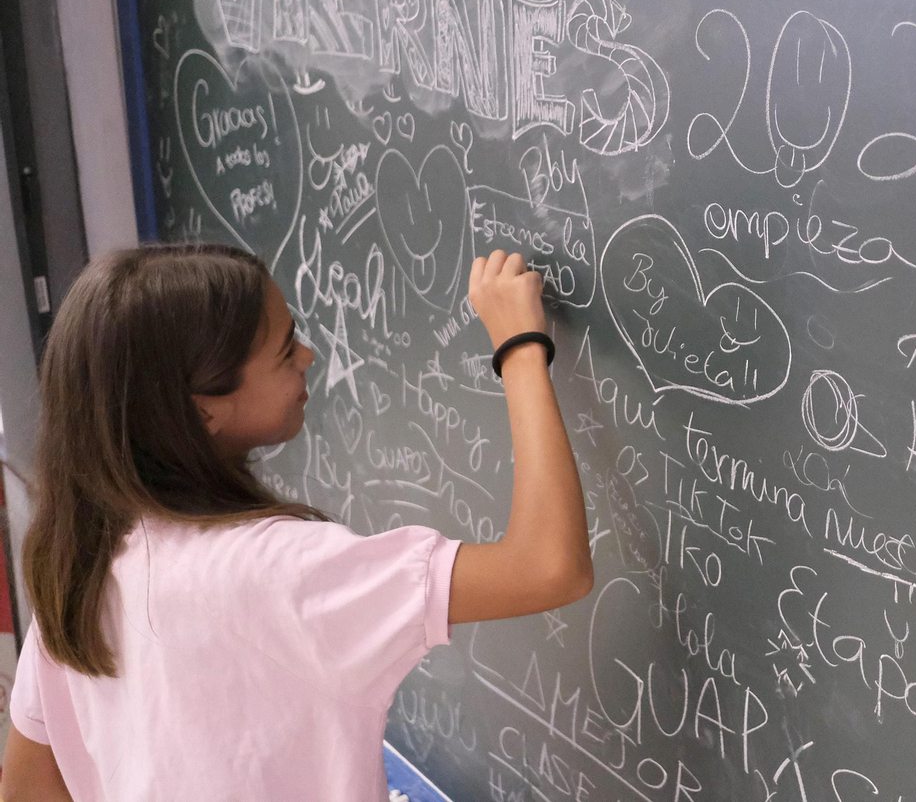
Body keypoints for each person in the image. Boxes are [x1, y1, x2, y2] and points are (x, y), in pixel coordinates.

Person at [0, 243, 591, 801]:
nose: (308, 356)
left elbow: (27, 789)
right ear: (203, 410)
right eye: (286, 352)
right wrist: (520, 345)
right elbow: (548, 567)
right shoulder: (281, 571)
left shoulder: (79, 561)